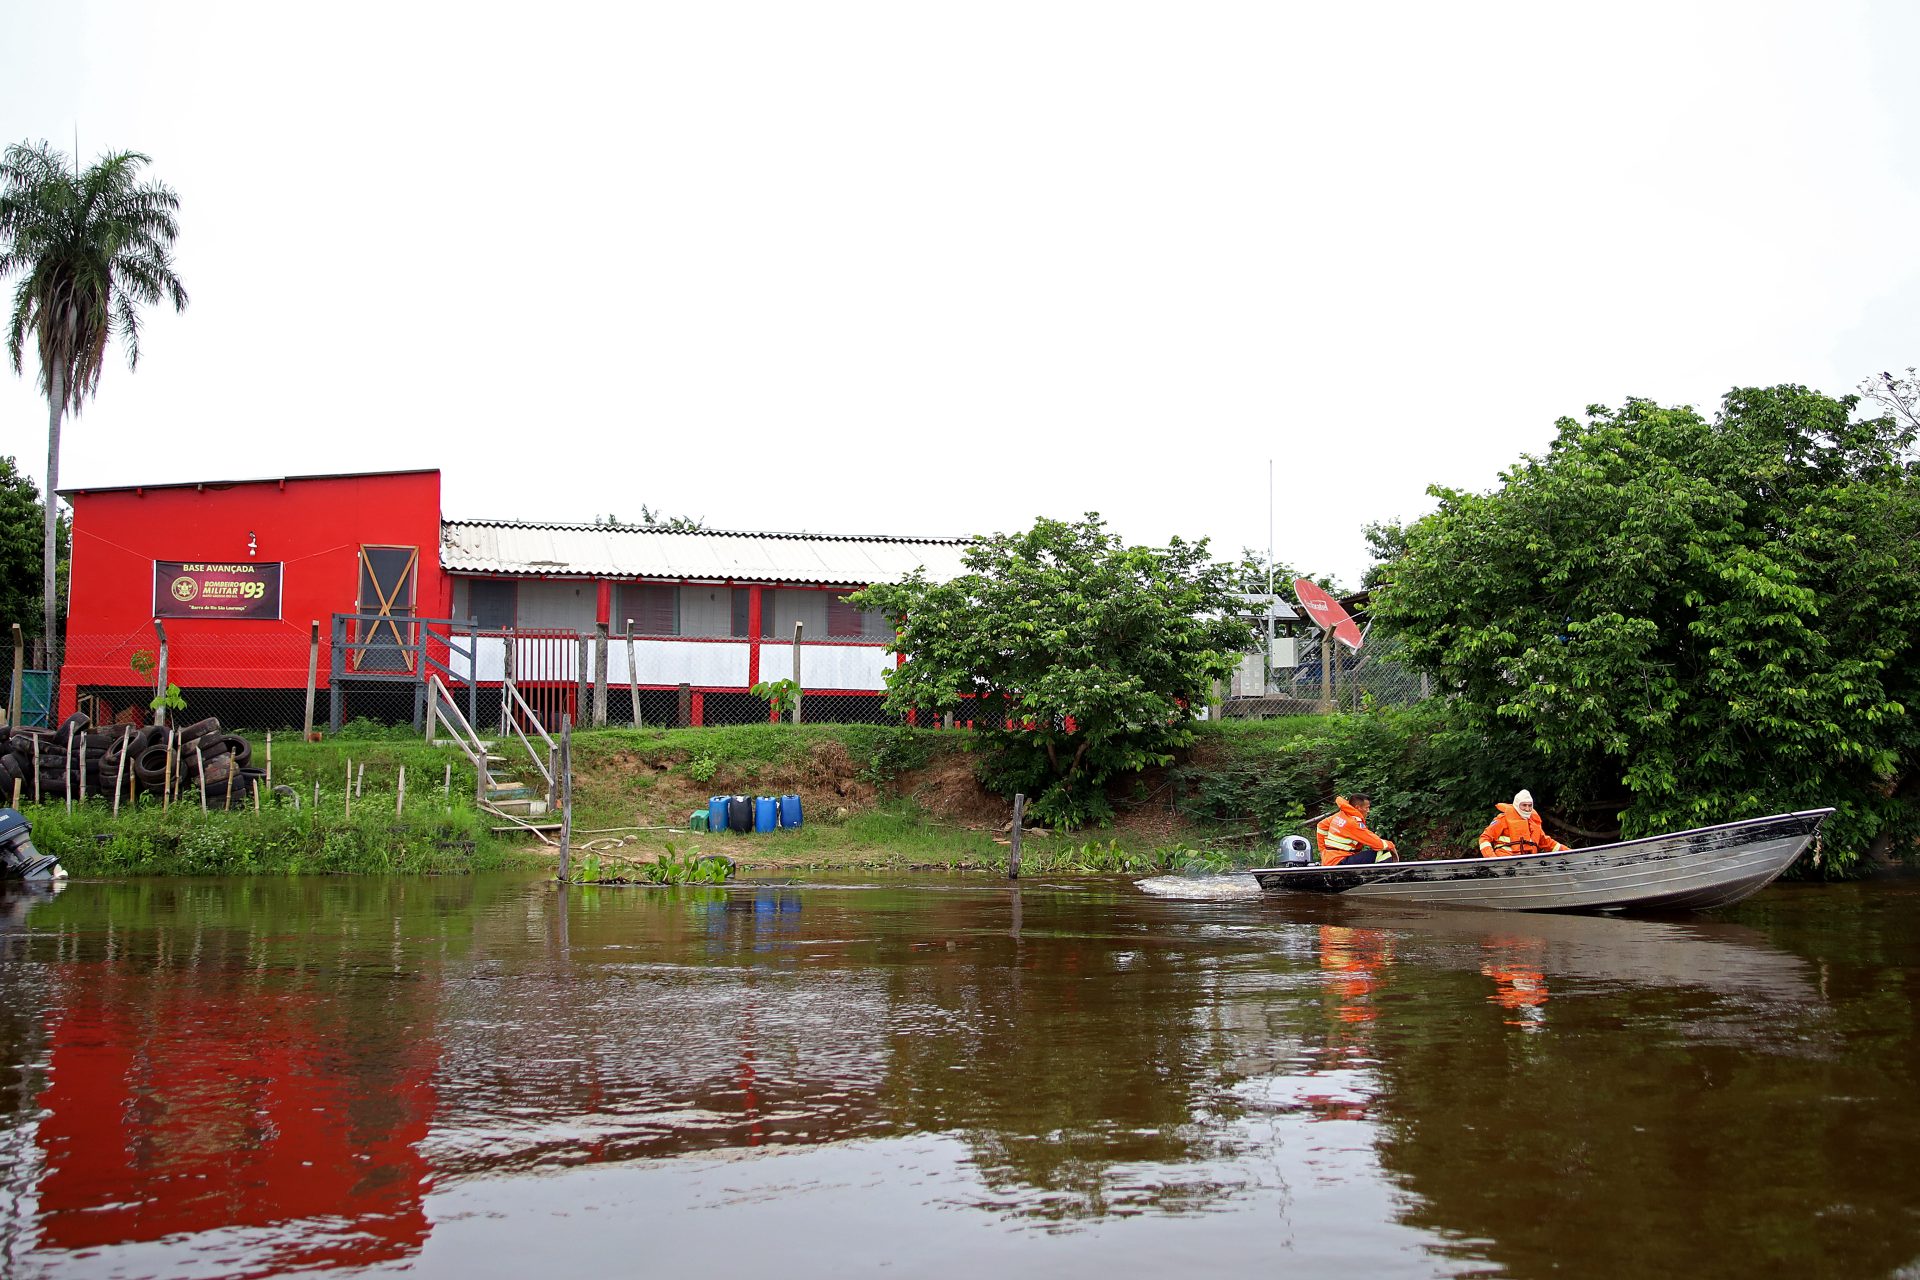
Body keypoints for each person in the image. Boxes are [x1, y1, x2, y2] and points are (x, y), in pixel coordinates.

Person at [1478, 789, 1569, 857]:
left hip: (1527, 863)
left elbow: (1550, 844)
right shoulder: (1503, 819)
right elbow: (1484, 838)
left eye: (1530, 805)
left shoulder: (1533, 823)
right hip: (1504, 861)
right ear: (1517, 805)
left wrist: (1571, 852)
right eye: (1524, 805)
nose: (1527, 809)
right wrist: (1492, 858)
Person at [1315, 793, 1398, 866]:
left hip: (1331, 860)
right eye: (1367, 808)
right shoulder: (1353, 823)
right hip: (1340, 861)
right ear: (1358, 807)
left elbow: (1321, 826)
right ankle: (1384, 880)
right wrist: (1391, 845)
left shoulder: (1341, 814)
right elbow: (1376, 843)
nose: (1368, 811)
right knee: (1383, 853)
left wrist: (1323, 851)